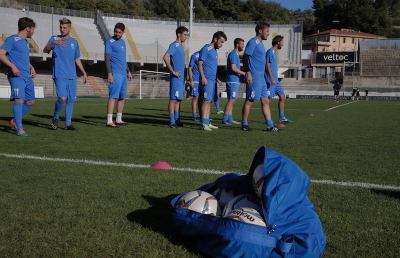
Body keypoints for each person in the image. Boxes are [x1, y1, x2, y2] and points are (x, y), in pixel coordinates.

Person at [44, 17, 87, 130]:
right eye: (61, 27)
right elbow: (45, 50)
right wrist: (53, 44)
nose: (62, 29)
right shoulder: (54, 38)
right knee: (62, 98)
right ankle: (56, 117)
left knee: (71, 99)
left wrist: (83, 72)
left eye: (64, 27)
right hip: (59, 74)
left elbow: (77, 58)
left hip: (72, 75)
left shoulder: (74, 42)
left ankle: (68, 124)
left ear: (69, 28)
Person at [0, 17, 36, 136]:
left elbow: (23, 58)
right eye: (33, 29)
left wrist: (31, 67)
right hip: (16, 76)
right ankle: (19, 128)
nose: (33, 31)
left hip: (27, 76)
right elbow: (1, 54)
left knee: (30, 101)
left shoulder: (25, 42)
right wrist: (12, 67)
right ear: (28, 28)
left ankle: (14, 120)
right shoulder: (12, 40)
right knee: (19, 99)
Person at [241, 22, 278, 132]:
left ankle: (270, 125)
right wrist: (248, 72)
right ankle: (244, 124)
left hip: (261, 79)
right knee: (250, 100)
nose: (268, 34)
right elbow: (246, 57)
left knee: (265, 101)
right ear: (260, 31)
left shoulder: (261, 44)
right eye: (267, 31)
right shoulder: (253, 42)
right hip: (254, 78)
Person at [104, 23, 133, 128]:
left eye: (119, 32)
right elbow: (107, 58)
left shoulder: (123, 42)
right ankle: (109, 121)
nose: (117, 34)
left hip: (123, 74)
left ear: (123, 32)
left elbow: (123, 59)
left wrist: (128, 71)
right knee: (113, 97)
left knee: (122, 97)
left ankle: (119, 119)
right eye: (116, 31)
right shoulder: (109, 41)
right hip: (115, 73)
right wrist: (109, 73)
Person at [198, 31, 227, 131]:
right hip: (206, 80)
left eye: (223, 42)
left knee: (209, 101)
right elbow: (200, 63)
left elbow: (212, 67)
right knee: (206, 101)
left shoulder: (214, 51)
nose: (222, 44)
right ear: (215, 39)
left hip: (212, 81)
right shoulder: (206, 48)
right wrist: (203, 77)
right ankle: (204, 123)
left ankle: (207, 122)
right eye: (221, 41)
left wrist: (217, 79)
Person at [163, 26, 189, 128]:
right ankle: (172, 121)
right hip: (176, 78)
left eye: (187, 35)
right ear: (179, 34)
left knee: (178, 100)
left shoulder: (181, 46)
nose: (186, 37)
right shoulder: (174, 45)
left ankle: (177, 120)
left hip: (181, 79)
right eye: (185, 34)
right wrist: (172, 71)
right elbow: (165, 57)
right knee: (173, 100)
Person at [265, 35, 291, 123]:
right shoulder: (270, 51)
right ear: (278, 42)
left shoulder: (275, 52)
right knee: (268, 100)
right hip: (270, 80)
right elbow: (267, 65)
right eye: (282, 42)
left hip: (276, 80)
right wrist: (271, 78)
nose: (283, 44)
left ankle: (282, 117)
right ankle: (268, 120)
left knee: (282, 97)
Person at [223, 38, 245, 124]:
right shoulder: (233, 54)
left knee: (232, 100)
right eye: (242, 44)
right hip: (232, 80)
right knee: (231, 100)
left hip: (234, 80)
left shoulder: (236, 54)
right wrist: (244, 73)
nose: (243, 46)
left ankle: (230, 118)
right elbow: (233, 68)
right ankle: (225, 119)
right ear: (237, 44)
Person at [188, 50, 200, 120]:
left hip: (202, 80)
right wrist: (191, 80)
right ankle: (194, 115)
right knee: (195, 98)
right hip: (195, 80)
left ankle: (202, 115)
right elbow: (190, 68)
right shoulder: (194, 55)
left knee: (202, 99)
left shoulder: (205, 56)